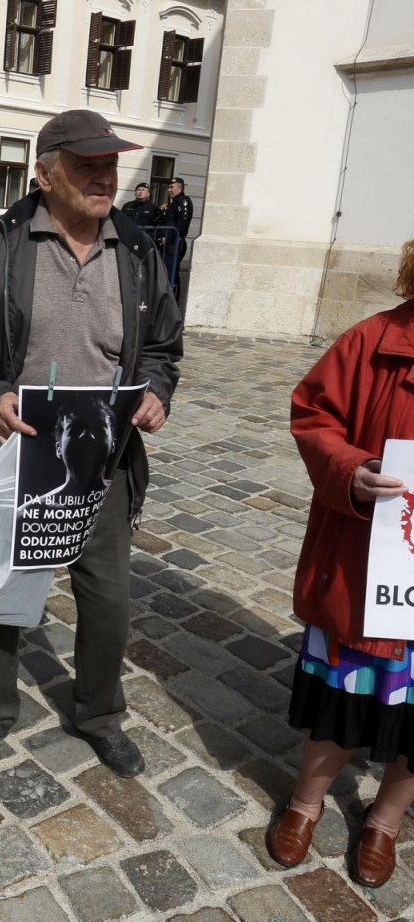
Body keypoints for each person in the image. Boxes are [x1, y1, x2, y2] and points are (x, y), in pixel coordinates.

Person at [0, 108, 183, 779]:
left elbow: (161, 347)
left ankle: (99, 713)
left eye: (110, 165)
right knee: (5, 596)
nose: (106, 177)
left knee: (108, 600)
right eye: (88, 165)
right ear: (45, 174)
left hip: (103, 458)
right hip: (20, 452)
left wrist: (154, 390)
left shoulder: (137, 247)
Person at [266, 238, 414, 889]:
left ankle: (385, 818)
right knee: (341, 692)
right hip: (365, 568)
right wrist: (351, 472)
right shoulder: (373, 340)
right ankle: (306, 801)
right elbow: (312, 414)